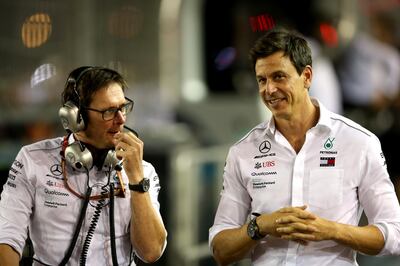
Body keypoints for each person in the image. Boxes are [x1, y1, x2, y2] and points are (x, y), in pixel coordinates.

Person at [209, 29, 400, 266]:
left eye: (279, 77)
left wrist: (331, 230)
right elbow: (220, 249)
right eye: (262, 80)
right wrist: (260, 226)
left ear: (307, 76)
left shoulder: (359, 142)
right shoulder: (243, 151)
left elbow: (394, 234)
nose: (269, 90)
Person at [0, 66, 167, 265]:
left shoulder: (142, 171)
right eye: (109, 111)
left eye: (122, 107)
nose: (121, 119)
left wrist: (137, 181)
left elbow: (151, 252)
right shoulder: (32, 159)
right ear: (75, 116)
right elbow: (7, 237)